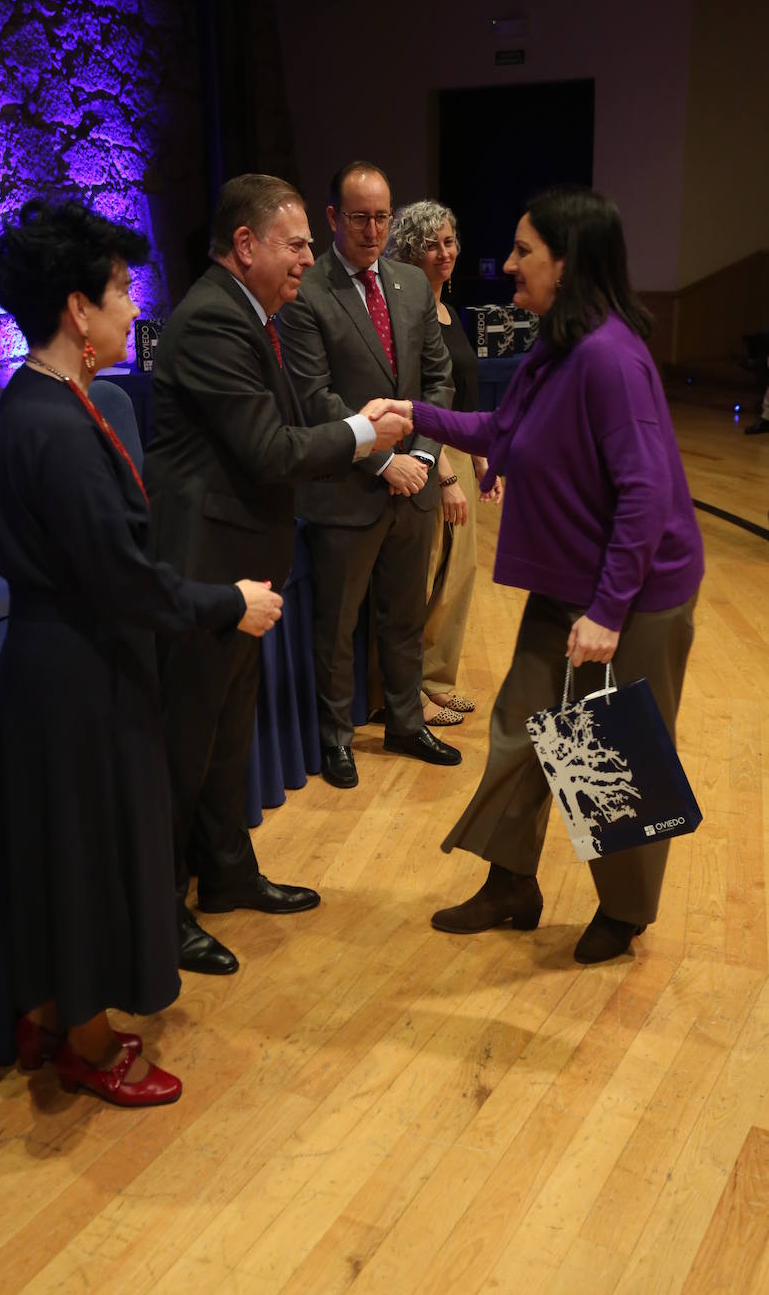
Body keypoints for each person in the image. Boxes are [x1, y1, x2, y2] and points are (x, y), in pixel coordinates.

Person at [0, 198, 284, 1106]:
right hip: (79, 675)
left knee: (59, 849)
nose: (128, 309)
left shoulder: (38, 400)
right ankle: (87, 1037)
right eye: (119, 292)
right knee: (85, 856)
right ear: (77, 310)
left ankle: (43, 1009)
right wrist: (227, 602)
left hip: (58, 663)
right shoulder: (60, 427)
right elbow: (122, 579)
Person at [370, 186, 704, 963]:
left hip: (633, 596)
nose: (508, 262)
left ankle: (624, 915)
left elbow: (646, 495)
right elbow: (498, 430)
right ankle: (512, 881)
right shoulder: (557, 342)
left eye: (525, 251)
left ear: (569, 261)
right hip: (571, 587)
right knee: (522, 727)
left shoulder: (611, 358)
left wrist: (612, 611)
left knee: (607, 750)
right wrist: (413, 413)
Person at [143, 173, 411, 977]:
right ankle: (164, 915)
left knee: (227, 738)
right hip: (203, 571)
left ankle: (226, 874)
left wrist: (357, 429)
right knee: (183, 750)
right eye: (294, 242)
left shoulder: (257, 316)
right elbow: (268, 450)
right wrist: (363, 432)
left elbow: (289, 429)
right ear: (246, 243)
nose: (305, 257)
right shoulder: (212, 321)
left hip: (243, 569)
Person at [277, 161, 460, 790]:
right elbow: (313, 397)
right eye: (360, 217)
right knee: (337, 627)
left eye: (382, 216)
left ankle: (406, 722)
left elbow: (439, 383)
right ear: (333, 218)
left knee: (404, 618)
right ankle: (335, 739)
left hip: (416, 484)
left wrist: (427, 460)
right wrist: (385, 460)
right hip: (348, 487)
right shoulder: (306, 291)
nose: (373, 229)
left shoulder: (410, 283)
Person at [382, 200, 503, 727]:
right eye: (432, 243)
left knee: (460, 575)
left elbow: (466, 397)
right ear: (410, 250)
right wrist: (447, 473)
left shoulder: (452, 312)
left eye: (450, 241)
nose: (445, 252)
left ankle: (438, 680)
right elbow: (416, 399)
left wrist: (481, 461)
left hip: (457, 448)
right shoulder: (406, 314)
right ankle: (413, 688)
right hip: (425, 452)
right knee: (428, 575)